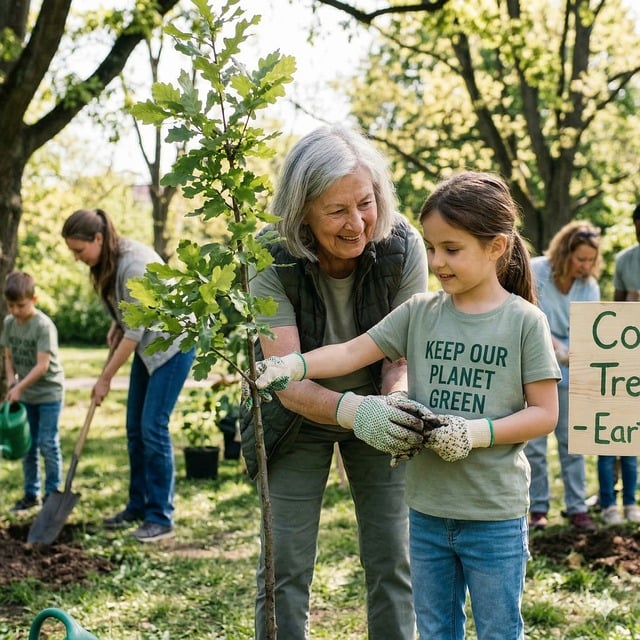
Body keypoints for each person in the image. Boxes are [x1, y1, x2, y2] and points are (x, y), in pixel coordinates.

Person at [251, 171, 561, 640]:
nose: (435, 262)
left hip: (493, 513)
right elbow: (354, 351)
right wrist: (292, 365)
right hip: (428, 510)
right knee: (435, 628)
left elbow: (545, 413)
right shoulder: (420, 312)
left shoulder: (525, 322)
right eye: (432, 248)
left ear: (496, 247)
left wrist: (476, 432)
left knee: (498, 630)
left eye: (450, 250)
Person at [241, 124, 428, 640]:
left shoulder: (402, 244)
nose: (357, 224)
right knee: (286, 567)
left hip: (381, 411)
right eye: (336, 211)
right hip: (296, 418)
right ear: (302, 212)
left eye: (365, 203)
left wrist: (392, 404)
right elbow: (284, 377)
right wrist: (353, 411)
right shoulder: (267, 257)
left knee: (395, 558)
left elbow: (402, 353)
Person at [62, 209, 195, 543]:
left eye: (79, 251)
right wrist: (114, 323)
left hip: (174, 343)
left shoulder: (133, 263)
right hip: (150, 343)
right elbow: (131, 314)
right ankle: (137, 506)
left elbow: (134, 334)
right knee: (135, 428)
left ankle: (160, 516)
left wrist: (105, 378)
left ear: (98, 239)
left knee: (153, 426)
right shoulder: (111, 260)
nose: (78, 259)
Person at [524, 221, 601, 531]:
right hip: (537, 366)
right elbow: (530, 312)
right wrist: (557, 347)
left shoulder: (589, 287)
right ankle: (538, 509)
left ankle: (577, 507)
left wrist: (575, 355)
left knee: (573, 442)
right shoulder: (537, 270)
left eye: (591, 260)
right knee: (536, 445)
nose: (585, 266)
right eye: (580, 259)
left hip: (573, 371)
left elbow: (592, 329)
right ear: (564, 253)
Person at [1, 271, 64, 512]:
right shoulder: (9, 324)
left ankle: (52, 494)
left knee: (47, 443)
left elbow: (42, 365)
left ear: (34, 300)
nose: (15, 311)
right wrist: (10, 379)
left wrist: (19, 386)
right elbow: (7, 354)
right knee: (27, 445)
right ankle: (31, 493)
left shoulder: (43, 326)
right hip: (25, 394)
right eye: (11, 306)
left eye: (21, 305)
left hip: (49, 393)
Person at [597, 204, 640, 524]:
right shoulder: (626, 260)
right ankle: (611, 500)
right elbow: (617, 306)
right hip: (627, 353)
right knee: (618, 432)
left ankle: (629, 499)